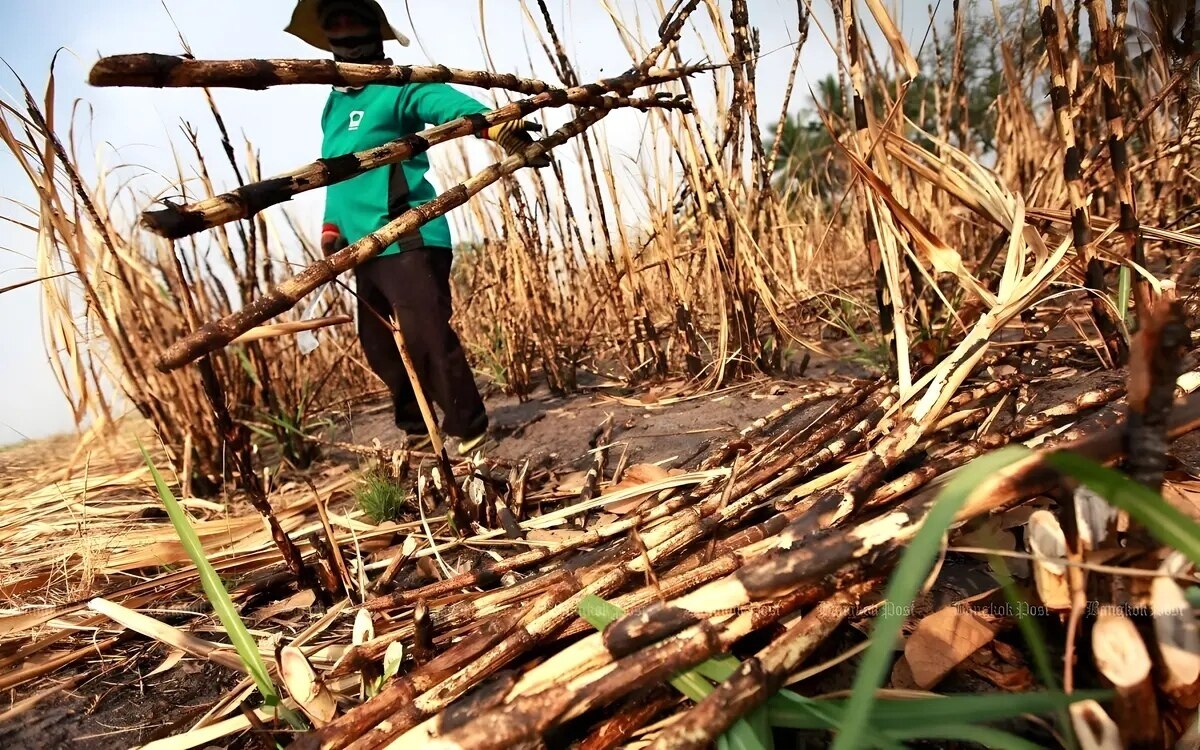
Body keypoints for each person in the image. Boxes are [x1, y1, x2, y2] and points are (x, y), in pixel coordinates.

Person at [285, 0, 547, 454]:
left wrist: (499, 128)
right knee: (380, 346)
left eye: (352, 19)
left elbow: (446, 102)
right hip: (363, 247)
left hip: (406, 232)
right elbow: (333, 170)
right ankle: (418, 428)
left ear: (374, 31)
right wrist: (331, 225)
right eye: (334, 23)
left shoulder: (399, 86)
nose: (343, 28)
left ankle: (468, 428)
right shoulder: (331, 105)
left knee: (425, 332)